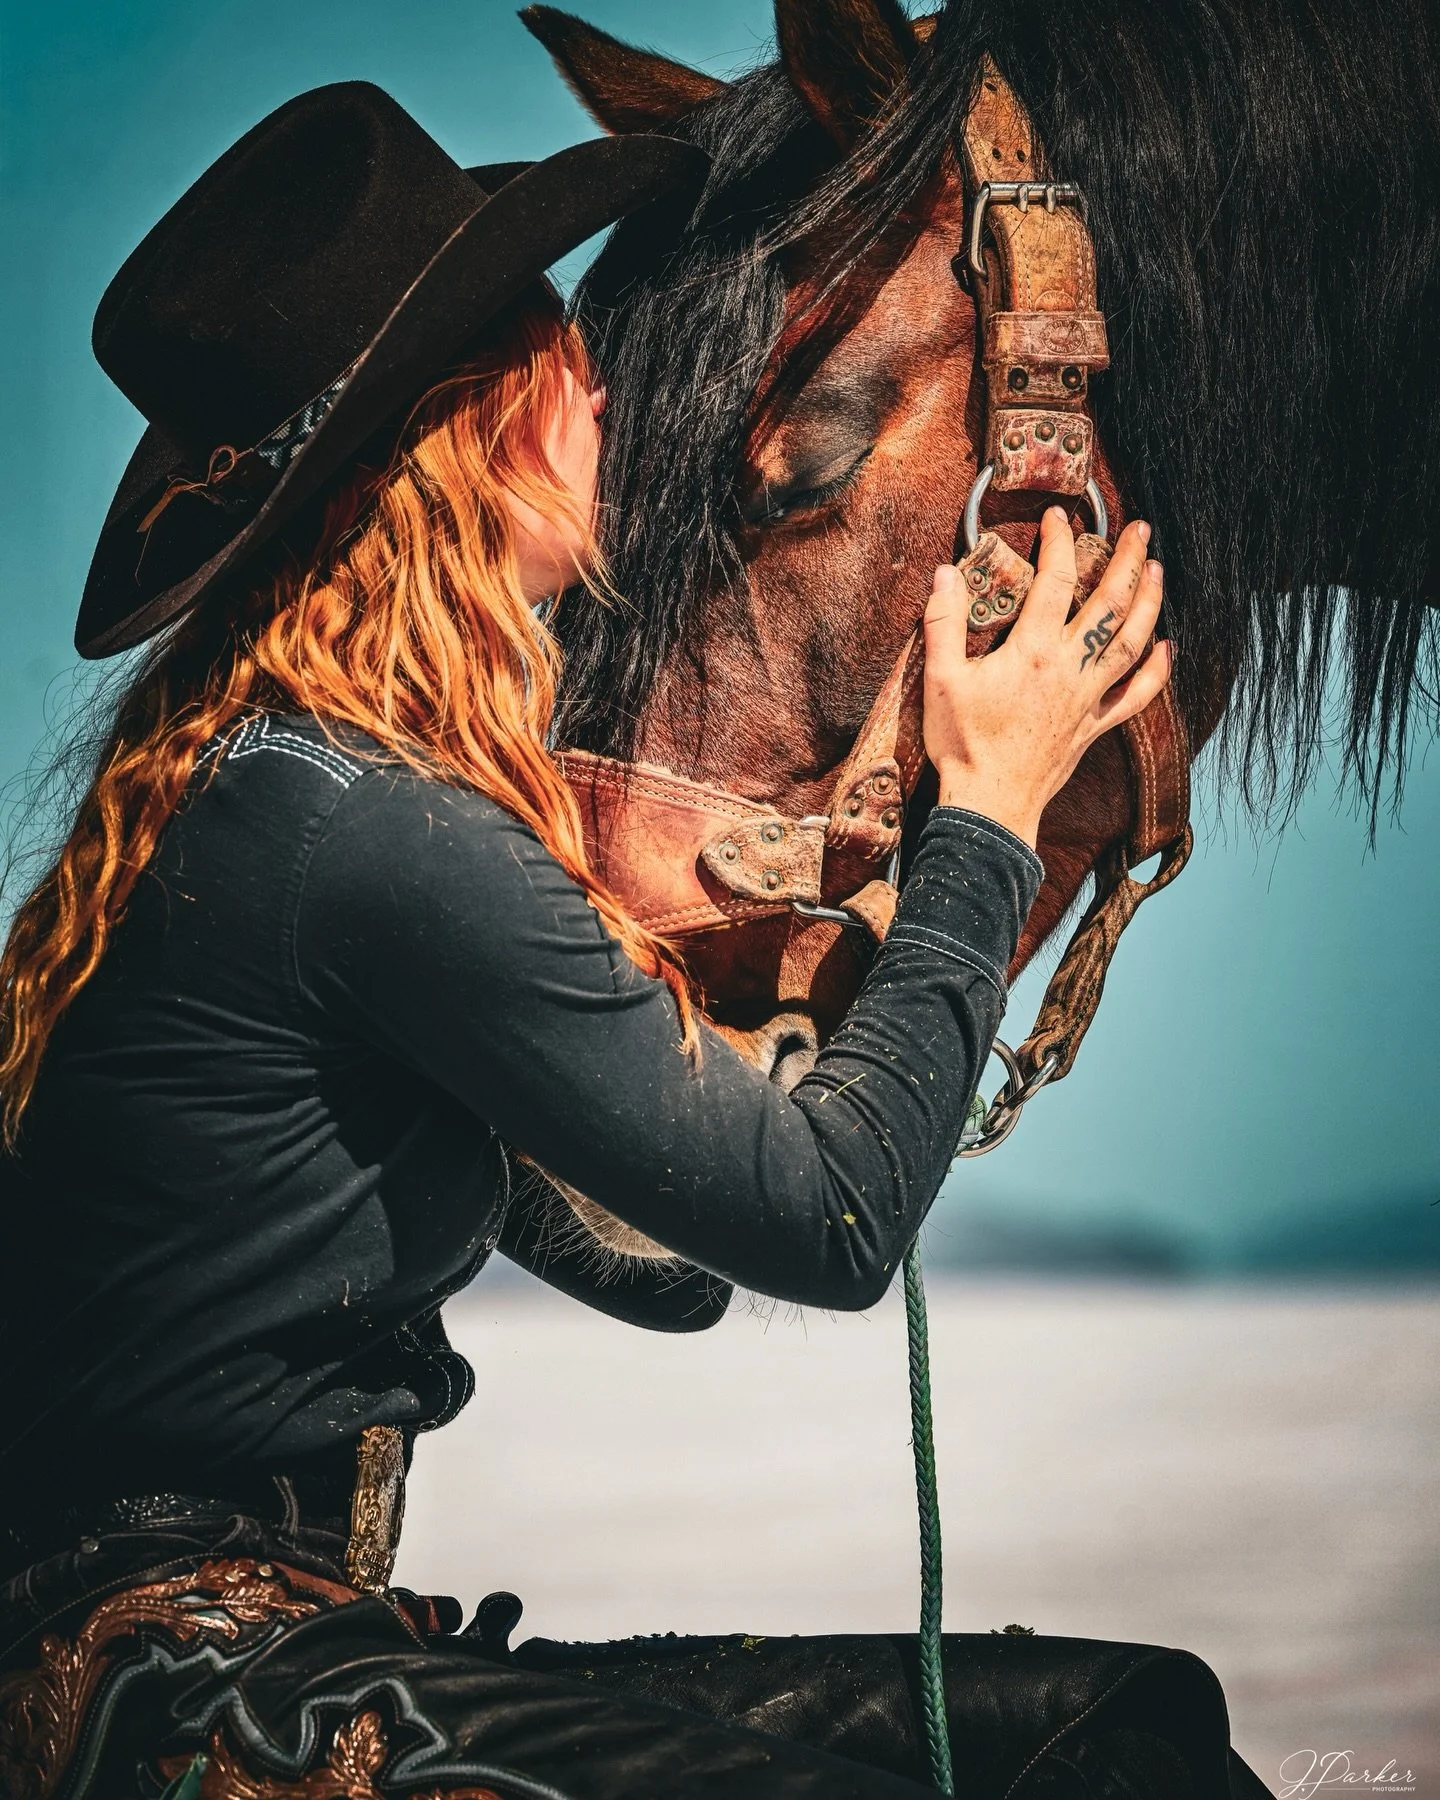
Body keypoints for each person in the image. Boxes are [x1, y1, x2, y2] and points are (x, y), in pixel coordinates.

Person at [0, 82, 1253, 1800]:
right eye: (543, 337)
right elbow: (827, 1221)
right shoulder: (375, 831)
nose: (600, 374)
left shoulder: (284, 793)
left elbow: (660, 1268)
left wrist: (857, 934)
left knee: (1127, 1727)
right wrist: (989, 815)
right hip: (185, 1688)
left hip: (255, 1652)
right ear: (464, 424)